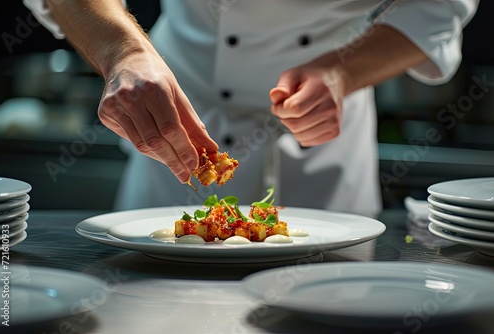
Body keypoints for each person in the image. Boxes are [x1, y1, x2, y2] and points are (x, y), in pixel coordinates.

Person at [24, 0, 478, 217]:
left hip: (323, 147)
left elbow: (439, 5)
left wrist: (344, 71)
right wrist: (121, 51)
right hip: (176, 112)